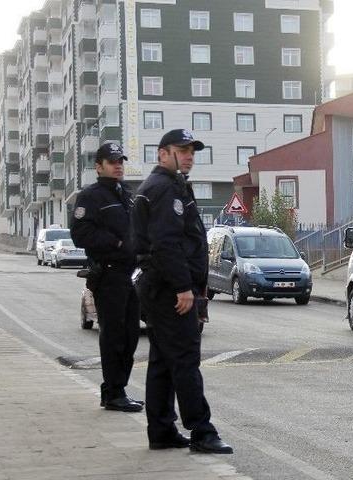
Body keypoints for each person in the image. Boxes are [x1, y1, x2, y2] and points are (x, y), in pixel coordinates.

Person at [132, 129, 233, 454]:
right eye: (182, 149)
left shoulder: (169, 187)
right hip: (169, 289)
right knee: (186, 360)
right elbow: (166, 244)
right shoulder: (164, 190)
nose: (189, 155)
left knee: (163, 360)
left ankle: (161, 430)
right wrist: (183, 287)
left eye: (192, 150)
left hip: (161, 287)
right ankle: (201, 431)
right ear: (163, 154)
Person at [70, 143, 142, 413]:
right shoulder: (91, 196)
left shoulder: (125, 194)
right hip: (109, 272)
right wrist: (117, 244)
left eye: (120, 160)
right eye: (112, 161)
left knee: (131, 334)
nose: (118, 165)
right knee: (114, 336)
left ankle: (117, 389)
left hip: (128, 275)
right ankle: (113, 392)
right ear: (98, 166)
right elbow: (80, 234)